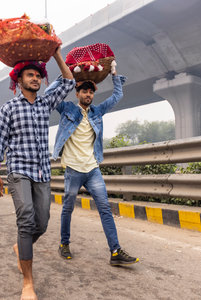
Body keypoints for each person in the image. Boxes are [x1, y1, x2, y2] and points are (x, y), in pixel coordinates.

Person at [0, 47, 74, 300]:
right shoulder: (9, 108)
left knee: (43, 222)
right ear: (19, 80)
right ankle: (28, 283)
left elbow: (69, 81)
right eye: (30, 75)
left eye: (38, 75)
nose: (35, 79)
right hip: (18, 170)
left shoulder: (46, 102)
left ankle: (21, 246)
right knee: (26, 219)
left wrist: (57, 54)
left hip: (42, 171)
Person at [49, 64, 139, 266]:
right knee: (68, 208)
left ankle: (115, 252)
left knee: (105, 208)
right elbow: (49, 93)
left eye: (91, 92)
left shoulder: (97, 112)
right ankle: (64, 244)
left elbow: (116, 97)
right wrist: (65, 75)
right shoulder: (67, 109)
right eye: (84, 91)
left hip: (92, 169)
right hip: (73, 169)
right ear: (77, 93)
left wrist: (115, 74)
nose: (88, 95)